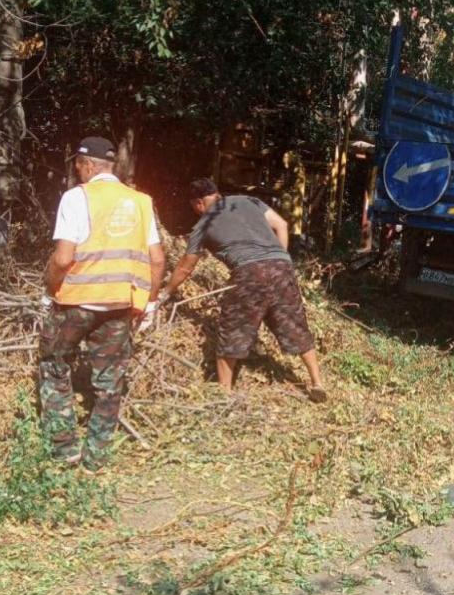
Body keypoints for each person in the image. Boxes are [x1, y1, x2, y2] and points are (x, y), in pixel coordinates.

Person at [39, 136, 165, 470]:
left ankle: (64, 451)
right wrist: (150, 302)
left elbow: (62, 259)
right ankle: (96, 459)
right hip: (119, 306)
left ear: (88, 165)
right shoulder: (140, 201)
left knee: (54, 365)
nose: (77, 171)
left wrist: (49, 292)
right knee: (110, 384)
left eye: (78, 165)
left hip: (74, 304)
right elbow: (157, 260)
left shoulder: (76, 197)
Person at [162, 178, 326, 400]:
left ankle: (224, 393)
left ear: (198, 203)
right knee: (294, 324)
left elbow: (185, 267)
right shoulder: (249, 201)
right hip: (282, 266)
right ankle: (317, 383)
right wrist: (280, 258)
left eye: (194, 207)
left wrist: (166, 292)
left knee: (232, 329)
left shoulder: (203, 224)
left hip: (249, 272)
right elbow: (282, 225)